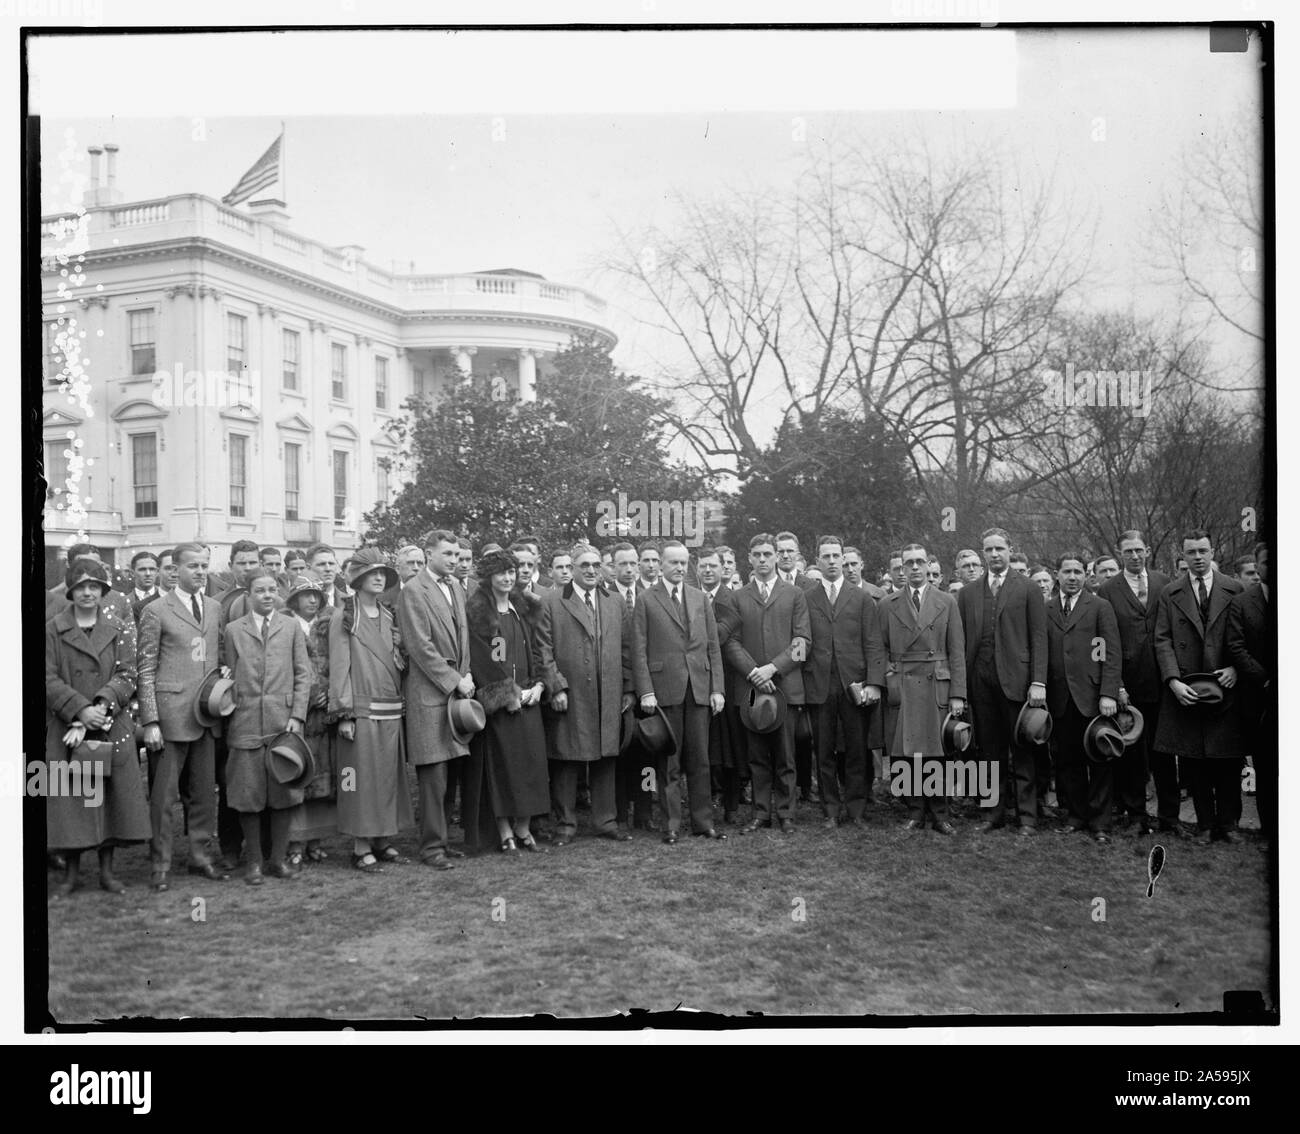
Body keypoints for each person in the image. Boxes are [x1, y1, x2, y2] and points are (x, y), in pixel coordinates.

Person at [45, 558, 151, 896]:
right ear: (71, 590)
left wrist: (103, 704)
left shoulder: (118, 627)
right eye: (81, 587)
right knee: (73, 802)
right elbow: (45, 676)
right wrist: (79, 709)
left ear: (103, 592)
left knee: (109, 798)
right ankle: (71, 875)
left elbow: (128, 673)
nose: (87, 593)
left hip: (109, 725)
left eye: (94, 587)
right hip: (68, 728)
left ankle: (107, 872)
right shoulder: (51, 629)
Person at [136, 542, 227, 890]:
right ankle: (160, 865)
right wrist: (151, 721)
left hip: (206, 714)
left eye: (204, 566)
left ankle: (200, 857)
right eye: (193, 566)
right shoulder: (156, 610)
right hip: (170, 717)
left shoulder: (216, 608)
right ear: (174, 569)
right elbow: (145, 668)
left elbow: (214, 657)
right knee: (164, 798)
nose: (200, 572)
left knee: (204, 793)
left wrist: (223, 679)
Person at [535, 543, 636, 845]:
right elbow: (542, 651)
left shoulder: (615, 602)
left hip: (609, 692)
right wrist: (556, 687)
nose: (591, 571)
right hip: (571, 693)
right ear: (573, 569)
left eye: (595, 565)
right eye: (584, 566)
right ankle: (566, 824)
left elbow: (627, 649)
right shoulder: (551, 602)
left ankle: (606, 821)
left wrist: (628, 689)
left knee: (606, 756)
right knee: (567, 757)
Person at [631, 540, 727, 843]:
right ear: (661, 564)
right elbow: (639, 650)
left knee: (700, 759)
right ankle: (671, 824)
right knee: (669, 762)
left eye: (684, 563)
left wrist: (717, 689)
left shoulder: (700, 599)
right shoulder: (646, 600)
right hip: (664, 690)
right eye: (673, 563)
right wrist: (646, 691)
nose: (680, 568)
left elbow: (713, 647)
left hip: (698, 690)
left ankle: (703, 822)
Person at [1153, 529, 1245, 844]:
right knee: (1195, 759)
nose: (1197, 558)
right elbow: (1162, 639)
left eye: (1202, 551)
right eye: (1191, 552)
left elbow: (1246, 638)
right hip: (1189, 688)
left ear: (1212, 550)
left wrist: (1236, 668)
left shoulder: (1234, 589)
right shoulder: (1171, 592)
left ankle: (1230, 824)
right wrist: (1173, 681)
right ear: (1183, 555)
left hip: (1225, 686)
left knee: (1229, 758)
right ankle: (1205, 825)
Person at [716, 533, 811, 834]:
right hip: (752, 690)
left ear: (775, 557)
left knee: (785, 755)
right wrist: (754, 672)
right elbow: (731, 642)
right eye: (756, 555)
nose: (762, 560)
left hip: (784, 687)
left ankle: (786, 814)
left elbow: (802, 641)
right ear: (749, 559)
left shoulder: (794, 594)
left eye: (767, 554)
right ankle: (761, 813)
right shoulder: (738, 596)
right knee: (757, 755)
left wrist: (773, 668)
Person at [221, 569, 312, 884]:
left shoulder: (291, 627)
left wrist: (297, 715)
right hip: (244, 721)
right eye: (260, 590)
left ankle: (277, 859)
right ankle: (255, 863)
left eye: (273, 589)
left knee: (283, 792)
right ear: (248, 594)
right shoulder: (233, 630)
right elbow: (228, 676)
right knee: (248, 794)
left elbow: (304, 674)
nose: (267, 595)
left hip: (282, 721)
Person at [957, 527, 1048, 836]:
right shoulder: (968, 593)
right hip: (980, 681)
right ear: (982, 553)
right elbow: (961, 642)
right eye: (988, 550)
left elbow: (1039, 637)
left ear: (1010, 549)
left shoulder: (1028, 588)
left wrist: (1038, 682)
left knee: (1022, 748)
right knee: (989, 749)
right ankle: (992, 813)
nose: (994, 554)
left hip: (1017, 681)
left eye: (999, 548)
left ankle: (1027, 818)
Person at [329, 550, 414, 872]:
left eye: (383, 574)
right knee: (361, 781)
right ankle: (360, 845)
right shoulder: (345, 617)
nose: (379, 578)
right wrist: (344, 714)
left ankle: (382, 840)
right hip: (361, 710)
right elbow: (339, 669)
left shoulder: (390, 615)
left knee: (388, 779)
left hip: (391, 708)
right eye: (372, 573)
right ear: (358, 579)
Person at [874, 542, 967, 833]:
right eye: (908, 563)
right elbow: (879, 648)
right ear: (901, 568)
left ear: (929, 566)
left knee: (937, 750)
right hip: (903, 682)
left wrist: (958, 694)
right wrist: (887, 677)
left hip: (935, 681)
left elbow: (957, 651)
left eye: (919, 562)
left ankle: (940, 813)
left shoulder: (947, 601)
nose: (914, 567)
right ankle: (914, 810)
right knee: (907, 750)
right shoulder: (887, 604)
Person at [463, 548, 551, 854]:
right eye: (501, 572)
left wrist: (539, 684)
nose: (507, 577)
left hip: (529, 698)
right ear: (488, 576)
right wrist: (509, 693)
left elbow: (537, 650)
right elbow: (485, 660)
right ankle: (504, 832)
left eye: (511, 571)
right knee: (502, 770)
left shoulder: (523, 607)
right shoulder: (478, 611)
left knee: (531, 767)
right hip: (501, 706)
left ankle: (523, 828)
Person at [398, 529, 474, 870]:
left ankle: (441, 841)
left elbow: (463, 637)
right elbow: (419, 647)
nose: (454, 561)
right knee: (433, 777)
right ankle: (431, 849)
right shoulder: (414, 591)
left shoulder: (455, 587)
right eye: (448, 555)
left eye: (457, 556)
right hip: (429, 696)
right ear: (430, 554)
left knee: (450, 775)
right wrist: (454, 680)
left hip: (454, 693)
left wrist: (467, 673)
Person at [800, 535, 885, 829]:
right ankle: (831, 810)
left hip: (855, 685)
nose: (833, 561)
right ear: (818, 561)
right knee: (823, 750)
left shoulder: (861, 598)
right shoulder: (807, 597)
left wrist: (873, 682)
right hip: (820, 684)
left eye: (837, 556)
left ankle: (857, 809)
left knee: (856, 749)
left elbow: (874, 643)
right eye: (827, 556)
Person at [1098, 530, 1172, 834]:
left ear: (1148, 550)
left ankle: (1169, 818)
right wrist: (1116, 686)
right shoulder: (1107, 590)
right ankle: (1137, 816)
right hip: (1128, 684)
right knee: (1132, 754)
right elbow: (1103, 640)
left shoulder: (1163, 583)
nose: (1134, 556)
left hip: (1163, 680)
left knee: (1165, 752)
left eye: (1139, 550)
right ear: (1119, 554)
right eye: (1127, 551)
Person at [1045, 554, 1122, 842]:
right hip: (1060, 698)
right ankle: (1076, 817)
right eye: (1067, 571)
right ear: (1057, 574)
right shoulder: (1048, 607)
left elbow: (1110, 653)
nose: (1073, 576)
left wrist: (1108, 692)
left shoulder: (1099, 607)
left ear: (1086, 574)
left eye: (1078, 571)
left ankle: (1101, 823)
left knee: (1099, 759)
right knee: (1068, 761)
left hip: (1092, 696)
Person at [284, 576, 336, 867]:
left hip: (323, 713)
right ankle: (294, 842)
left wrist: (328, 692)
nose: (312, 601)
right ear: (294, 600)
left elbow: (339, 662)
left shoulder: (327, 626)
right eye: (306, 596)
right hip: (296, 712)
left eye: (316, 595)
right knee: (297, 773)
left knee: (322, 778)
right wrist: (305, 697)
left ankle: (316, 839)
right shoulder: (286, 625)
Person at [1227, 541, 1271, 839]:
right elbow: (1236, 646)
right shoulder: (1243, 602)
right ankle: (1271, 830)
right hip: (1260, 696)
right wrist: (1265, 679)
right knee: (1267, 766)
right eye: (1266, 562)